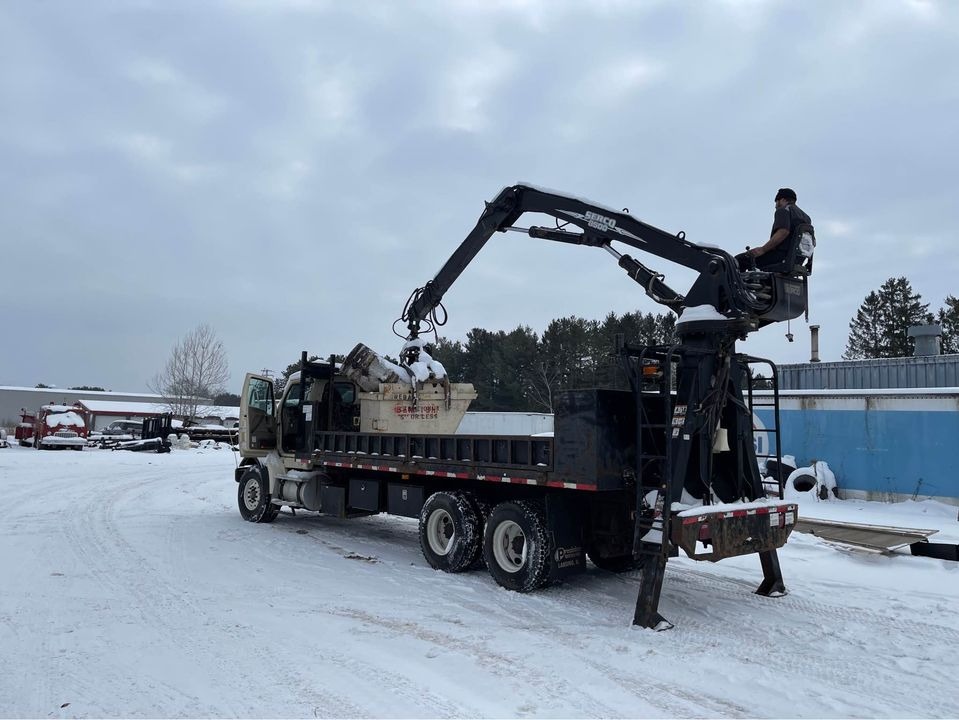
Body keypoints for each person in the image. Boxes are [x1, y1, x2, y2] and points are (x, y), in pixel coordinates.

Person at [736, 188, 813, 272]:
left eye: (776, 202)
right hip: (797, 260)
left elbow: (783, 231)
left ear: (782, 200)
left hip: (780, 257)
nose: (775, 206)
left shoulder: (784, 210)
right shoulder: (807, 218)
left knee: (738, 260)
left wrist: (762, 249)